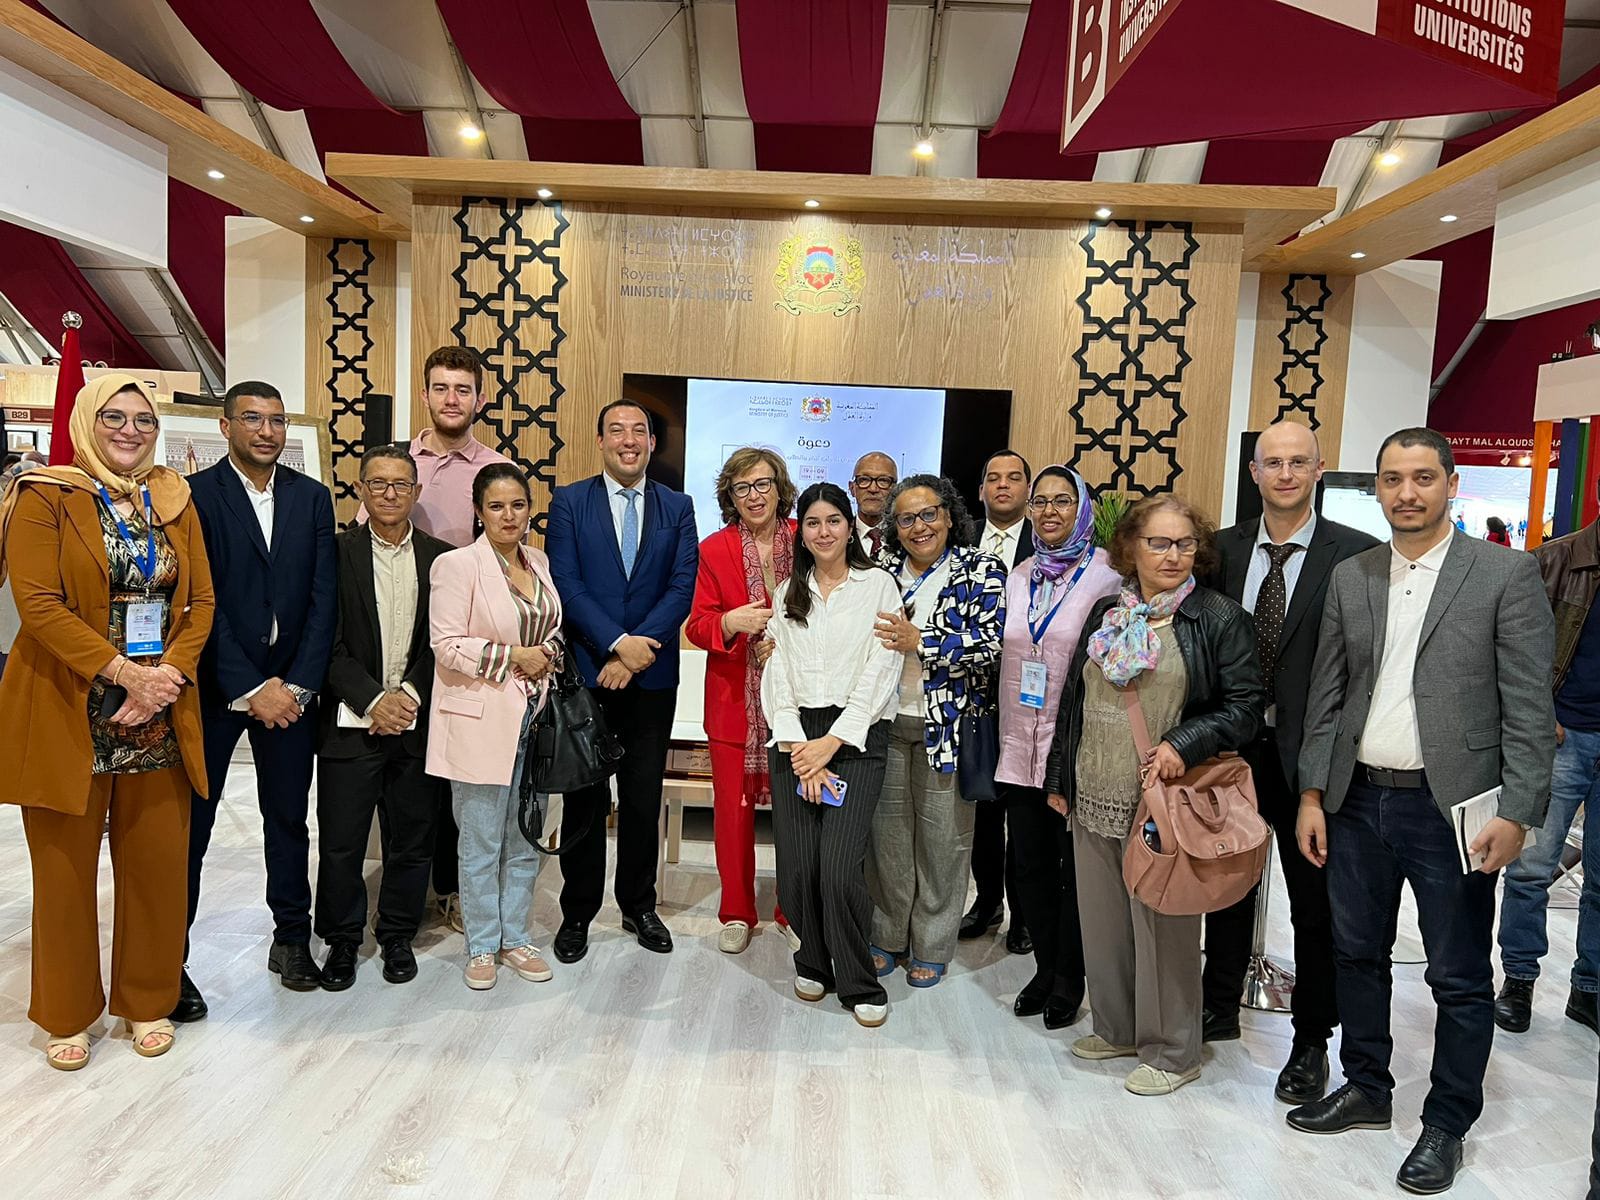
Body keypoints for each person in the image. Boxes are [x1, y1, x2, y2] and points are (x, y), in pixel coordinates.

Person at [1292, 427, 1554, 1194]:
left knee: (1458, 975)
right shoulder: (1354, 576)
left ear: (1451, 485)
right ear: (1377, 488)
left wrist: (1519, 811)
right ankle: (1367, 1087)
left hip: (1455, 809)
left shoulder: (1505, 573)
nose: (1406, 493)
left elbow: (1528, 707)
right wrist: (1312, 793)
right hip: (1357, 802)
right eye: (1392, 479)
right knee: (1356, 955)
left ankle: (1447, 1122)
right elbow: (1328, 696)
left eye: (1423, 478)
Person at [0, 375, 215, 1068]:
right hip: (70, 706)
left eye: (144, 420)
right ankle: (66, 1014)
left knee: (157, 867)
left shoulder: (173, 498)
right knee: (63, 874)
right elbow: (38, 603)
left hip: (157, 712)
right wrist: (126, 673)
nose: (130, 430)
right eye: (114, 417)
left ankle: (148, 1001)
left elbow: (201, 603)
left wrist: (165, 678)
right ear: (86, 422)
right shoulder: (45, 495)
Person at [1048, 494, 1263, 1097]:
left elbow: (1246, 707)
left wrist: (1182, 743)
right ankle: (1117, 1028)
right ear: (1130, 548)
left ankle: (1172, 1051)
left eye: (1185, 543)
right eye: (1159, 543)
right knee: (1104, 923)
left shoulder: (1217, 618)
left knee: (1164, 927)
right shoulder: (1106, 610)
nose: (1173, 555)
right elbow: (1074, 698)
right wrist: (1060, 778)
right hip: (1095, 790)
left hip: (1166, 800)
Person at [1199, 421, 1378, 1103]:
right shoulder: (1219, 551)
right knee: (1227, 885)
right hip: (1231, 750)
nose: (1285, 474)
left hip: (1313, 759)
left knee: (1314, 907)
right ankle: (1217, 1006)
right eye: (1272, 462)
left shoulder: (1357, 555)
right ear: (1253, 472)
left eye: (1298, 462)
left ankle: (1310, 1040)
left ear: (1319, 469)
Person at [182, 381, 336, 1014]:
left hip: (291, 691)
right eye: (252, 418)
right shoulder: (194, 495)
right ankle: (169, 959)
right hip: (219, 687)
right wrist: (249, 685)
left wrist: (295, 685)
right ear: (226, 427)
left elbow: (324, 600)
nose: (267, 431)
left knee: (289, 820)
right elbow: (198, 601)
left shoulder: (312, 497)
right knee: (194, 825)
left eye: (276, 420)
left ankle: (292, 939)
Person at [544, 400, 697, 961]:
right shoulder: (569, 502)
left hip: (651, 679)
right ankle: (577, 912)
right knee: (584, 799)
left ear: (652, 443)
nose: (628, 440)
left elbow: (681, 586)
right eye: (617, 430)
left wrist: (634, 655)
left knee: (641, 797)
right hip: (588, 675)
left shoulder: (678, 506)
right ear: (600, 441)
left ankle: (639, 905)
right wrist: (614, 643)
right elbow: (566, 582)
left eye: (639, 431)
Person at [379, 345, 514, 935]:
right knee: (413, 773)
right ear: (425, 394)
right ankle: (407, 895)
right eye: (441, 388)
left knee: (464, 771)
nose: (451, 399)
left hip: (471, 644)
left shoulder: (495, 467)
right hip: (403, 631)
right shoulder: (397, 464)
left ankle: (457, 890)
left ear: (479, 399)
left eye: (463, 389)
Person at [762, 482, 902, 1026]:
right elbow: (777, 669)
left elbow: (883, 667)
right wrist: (798, 744)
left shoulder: (878, 585)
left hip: (855, 738)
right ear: (802, 532)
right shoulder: (788, 592)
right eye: (813, 523)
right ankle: (813, 962)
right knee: (798, 869)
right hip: (796, 737)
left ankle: (858, 979)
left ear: (850, 527)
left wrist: (832, 743)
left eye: (833, 521)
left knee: (840, 869)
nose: (824, 532)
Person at [314, 444, 452, 989]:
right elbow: (324, 641)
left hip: (416, 722)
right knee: (341, 841)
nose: (390, 494)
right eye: (378, 483)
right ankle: (343, 939)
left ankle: (397, 933)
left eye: (401, 484)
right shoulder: (334, 552)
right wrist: (374, 699)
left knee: (413, 838)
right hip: (351, 721)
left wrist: (410, 696)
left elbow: (444, 642)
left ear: (416, 492)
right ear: (361, 490)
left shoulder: (442, 559)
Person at [427, 462, 564, 989]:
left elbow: (553, 631)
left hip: (536, 717)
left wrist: (545, 653)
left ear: (530, 510)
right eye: (497, 506)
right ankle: (482, 944)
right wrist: (513, 657)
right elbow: (446, 644)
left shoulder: (540, 561)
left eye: (518, 505)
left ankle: (517, 938)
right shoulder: (457, 565)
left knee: (526, 835)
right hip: (480, 720)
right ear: (479, 512)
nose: (509, 516)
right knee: (481, 840)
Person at [867, 474, 1007, 987]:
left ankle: (932, 944)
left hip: (947, 726)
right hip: (885, 721)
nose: (919, 526)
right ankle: (886, 935)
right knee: (887, 840)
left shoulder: (981, 569)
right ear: (894, 527)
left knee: (943, 843)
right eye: (907, 518)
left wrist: (920, 640)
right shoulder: (880, 571)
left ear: (949, 516)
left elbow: (990, 645)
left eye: (929, 514)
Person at [995, 466, 1120, 1030]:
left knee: (1075, 871)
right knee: (1029, 868)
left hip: (1074, 749)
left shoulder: (1109, 576)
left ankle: (1071, 978)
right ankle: (1044, 969)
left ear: (1082, 508)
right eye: (1040, 502)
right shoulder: (1019, 574)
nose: (1050, 511)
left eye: (1062, 501)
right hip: (1017, 745)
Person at [1495, 488, 1600, 1036]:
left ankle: (1589, 989)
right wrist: (1539, 711)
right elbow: (1512, 647)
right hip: (1562, 737)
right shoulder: (1554, 561)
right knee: (1532, 868)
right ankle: (1518, 979)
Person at [685, 447, 799, 954]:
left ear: (780, 488)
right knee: (733, 815)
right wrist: (731, 622)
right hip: (734, 702)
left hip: (799, 701)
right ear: (729, 496)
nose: (754, 496)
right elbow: (697, 624)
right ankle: (736, 911)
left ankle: (792, 910)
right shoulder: (714, 549)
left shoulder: (807, 537)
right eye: (742, 487)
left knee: (797, 813)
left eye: (762, 484)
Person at [963, 449, 1036, 952]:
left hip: (1029, 697)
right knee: (982, 809)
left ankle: (1025, 914)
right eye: (993, 478)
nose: (1003, 485)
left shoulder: (1047, 543)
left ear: (1027, 489)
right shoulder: (959, 537)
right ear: (982, 489)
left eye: (1013, 478)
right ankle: (987, 901)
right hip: (972, 696)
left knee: (1024, 812)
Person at [849, 451, 897, 558]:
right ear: (852, 488)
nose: (873, 489)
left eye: (883, 480)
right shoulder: (838, 536)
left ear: (895, 490)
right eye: (864, 480)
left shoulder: (906, 536)